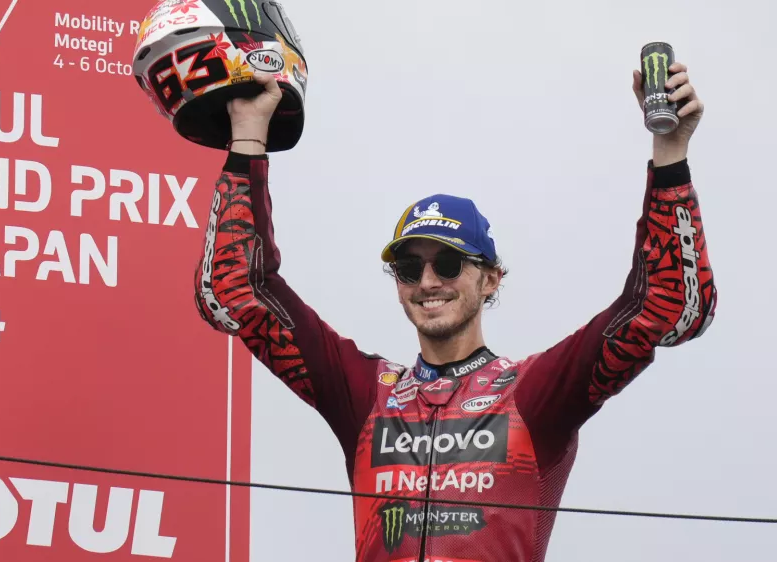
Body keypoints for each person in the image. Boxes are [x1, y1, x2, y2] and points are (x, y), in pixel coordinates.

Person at [193, 63, 715, 562]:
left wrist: (670, 149)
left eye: (447, 263)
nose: (427, 282)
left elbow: (665, 306)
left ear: (490, 279)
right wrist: (249, 130)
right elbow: (236, 290)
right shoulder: (367, 395)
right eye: (407, 267)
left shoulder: (533, 393)